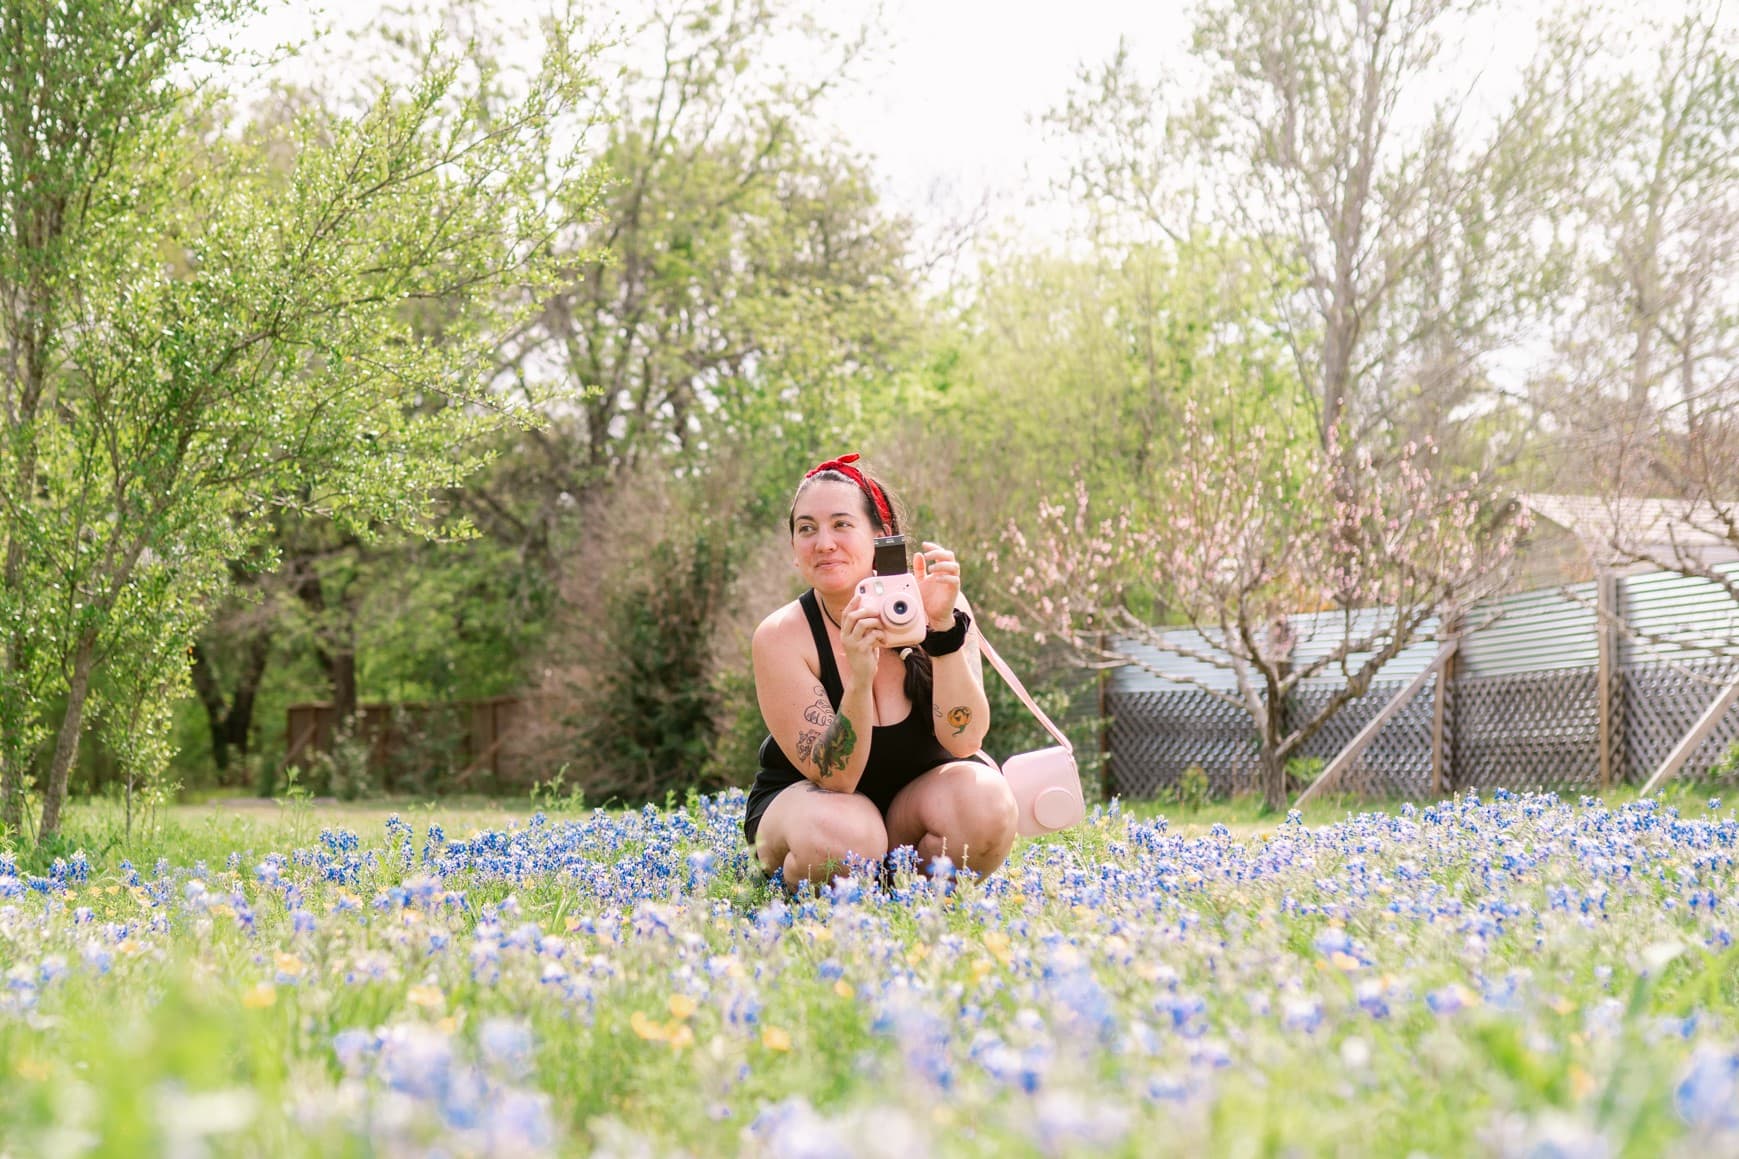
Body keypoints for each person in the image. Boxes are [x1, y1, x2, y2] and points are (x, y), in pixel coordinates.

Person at [745, 453, 1019, 886]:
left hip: (916, 807)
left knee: (986, 801)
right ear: (794, 551)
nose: (824, 543)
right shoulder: (781, 635)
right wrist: (858, 676)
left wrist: (944, 632)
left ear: (881, 535)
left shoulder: (935, 606)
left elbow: (965, 739)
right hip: (818, 806)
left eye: (841, 524)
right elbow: (835, 778)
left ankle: (910, 904)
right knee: (846, 840)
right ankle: (841, 887)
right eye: (806, 529)